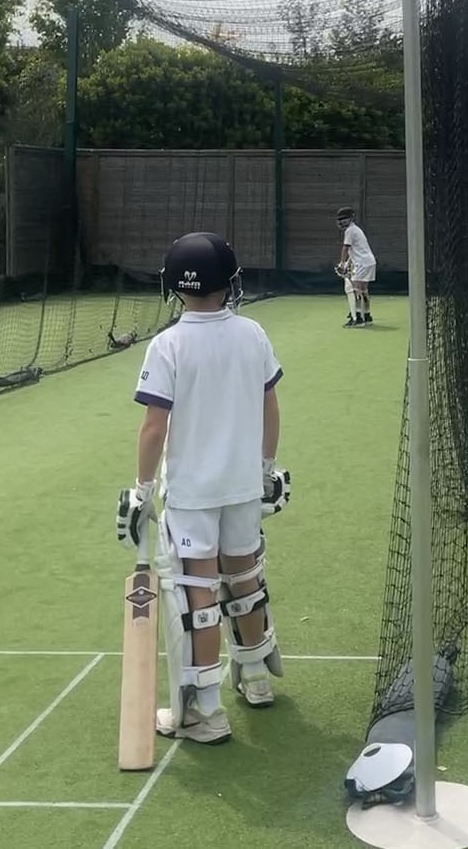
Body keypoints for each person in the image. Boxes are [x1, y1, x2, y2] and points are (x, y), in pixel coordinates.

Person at [119, 231, 286, 745]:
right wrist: (266, 468)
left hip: (192, 490)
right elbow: (270, 406)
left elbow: (154, 426)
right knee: (244, 580)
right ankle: (255, 678)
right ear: (230, 282)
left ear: (174, 287)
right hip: (240, 485)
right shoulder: (252, 333)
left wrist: (142, 490)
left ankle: (205, 713)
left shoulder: (168, 344)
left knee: (197, 596)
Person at [336, 207, 377, 327]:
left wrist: (342, 264)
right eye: (340, 219)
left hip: (362, 263)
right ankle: (367, 315)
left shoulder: (350, 231)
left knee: (356, 290)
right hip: (369, 261)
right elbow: (354, 251)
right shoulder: (357, 230)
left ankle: (358, 318)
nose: (342, 222)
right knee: (364, 290)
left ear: (351, 218)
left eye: (344, 219)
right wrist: (347, 263)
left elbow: (346, 247)